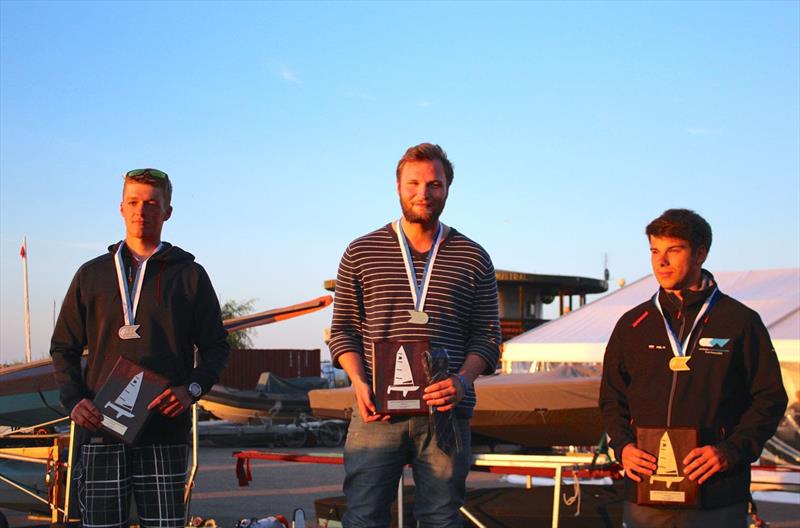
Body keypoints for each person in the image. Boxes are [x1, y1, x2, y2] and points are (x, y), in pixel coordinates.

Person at [329, 143, 501, 527]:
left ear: (447, 189)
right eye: (414, 183)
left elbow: (488, 336)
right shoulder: (361, 251)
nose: (423, 193)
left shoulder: (473, 256)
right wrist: (357, 380)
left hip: (446, 413)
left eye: (434, 184)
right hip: (376, 410)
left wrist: (461, 380)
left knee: (441, 518)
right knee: (363, 516)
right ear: (397, 186)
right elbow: (342, 329)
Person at [50, 168, 230, 528]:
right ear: (120, 208)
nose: (141, 211)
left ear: (167, 212)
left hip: (163, 431)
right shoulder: (92, 275)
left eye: (152, 203)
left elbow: (215, 348)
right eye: (133, 202)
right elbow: (63, 346)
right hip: (101, 428)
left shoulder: (189, 275)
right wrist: (73, 400)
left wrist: (192, 389)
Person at [599, 208, 787, 528]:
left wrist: (730, 451)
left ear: (700, 253)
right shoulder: (633, 324)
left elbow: (770, 399)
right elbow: (611, 398)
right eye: (655, 251)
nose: (662, 262)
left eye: (673, 250)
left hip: (717, 493)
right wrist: (624, 447)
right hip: (646, 492)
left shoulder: (739, 321)